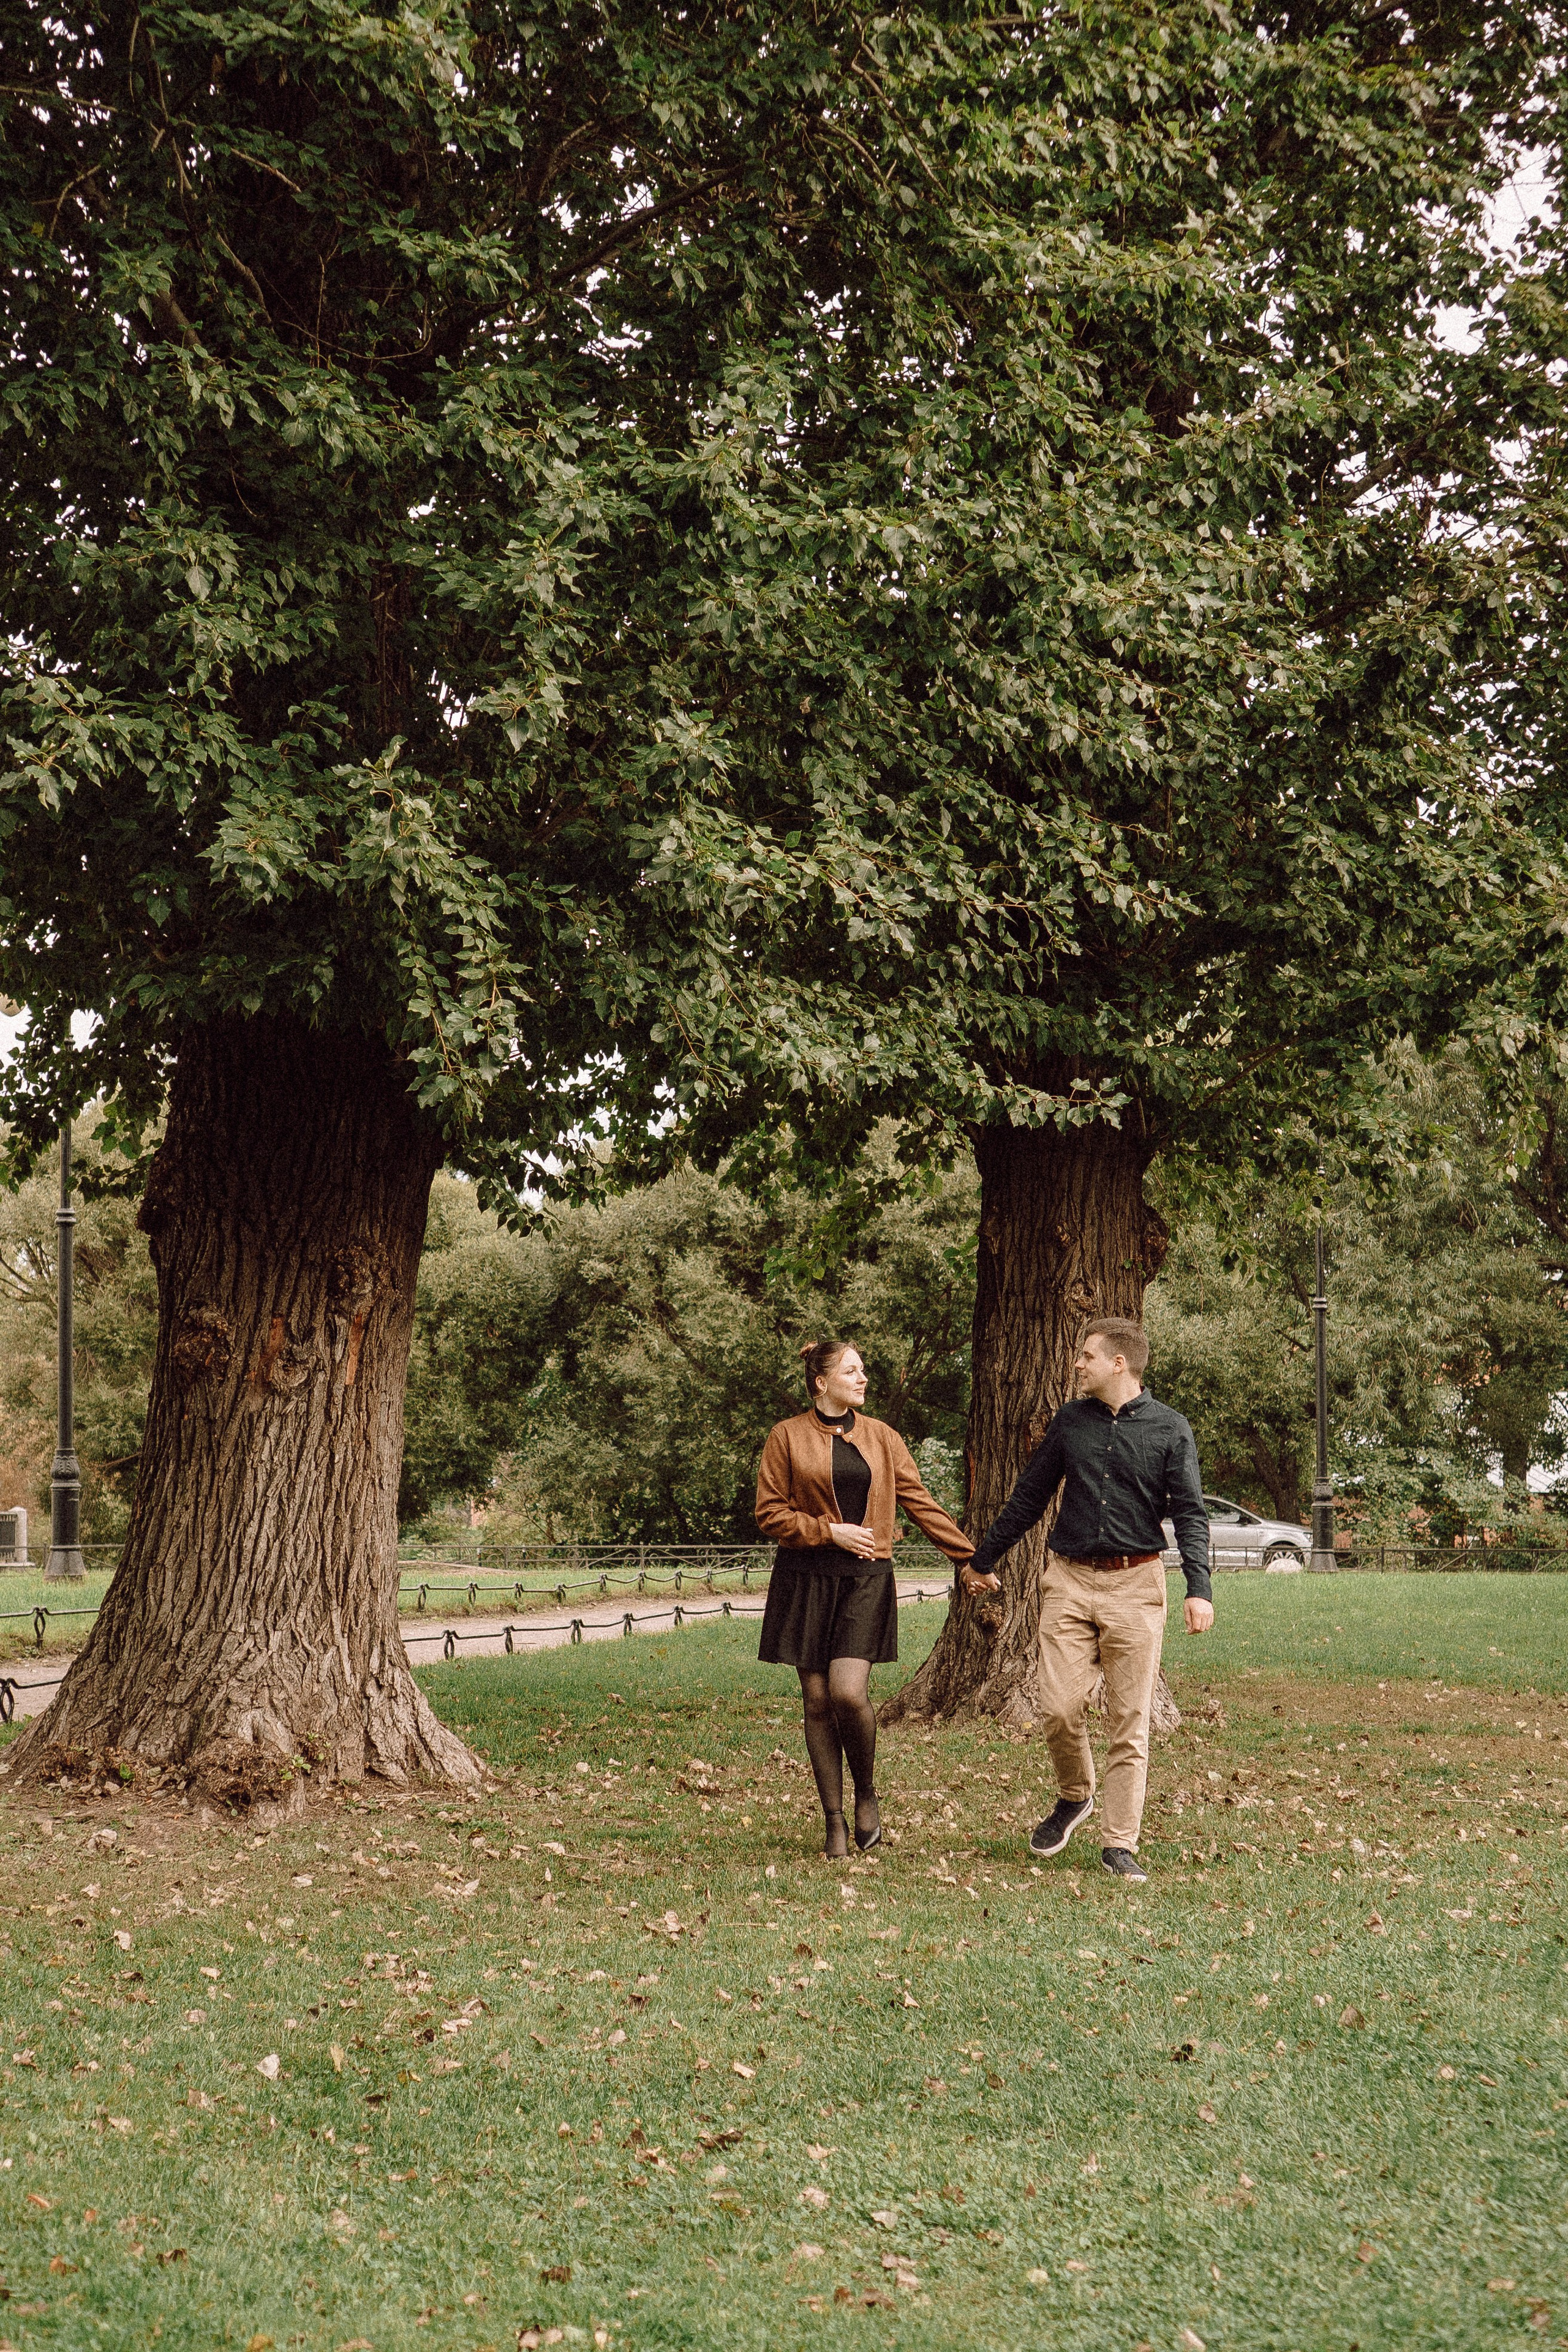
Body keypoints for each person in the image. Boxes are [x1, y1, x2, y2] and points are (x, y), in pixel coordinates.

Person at [965, 1316, 1213, 1884]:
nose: (1077, 1363)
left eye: (1087, 1356)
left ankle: (1119, 1844)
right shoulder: (1070, 1422)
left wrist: (1199, 1589)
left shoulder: (1171, 1428)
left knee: (1130, 1722)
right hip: (1069, 1582)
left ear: (1119, 1363)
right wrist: (985, 1558)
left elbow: (1191, 1514)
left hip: (1137, 1586)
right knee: (1057, 1707)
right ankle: (1076, 1794)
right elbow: (1030, 1496)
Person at [756, 1339, 986, 1858]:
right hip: (805, 1578)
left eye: (862, 1370)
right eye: (851, 1371)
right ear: (822, 1382)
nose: (863, 1379)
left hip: (865, 1577)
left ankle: (866, 1793)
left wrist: (968, 1558)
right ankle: (833, 1821)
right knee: (817, 1702)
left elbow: (919, 1502)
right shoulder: (786, 1436)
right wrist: (828, 1532)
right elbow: (769, 1512)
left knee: (846, 1693)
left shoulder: (883, 1437)